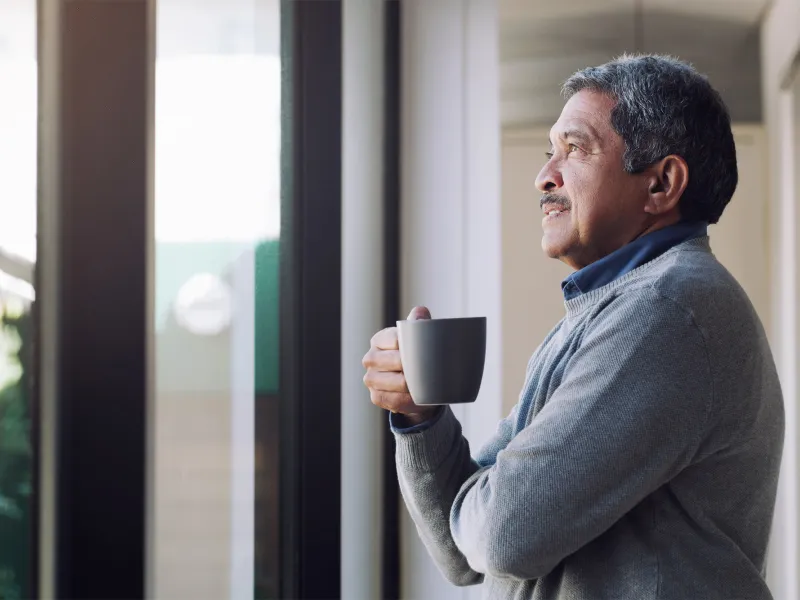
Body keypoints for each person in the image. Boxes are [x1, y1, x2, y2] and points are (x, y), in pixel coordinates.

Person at [362, 54, 785, 600]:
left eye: (576, 148)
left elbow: (503, 538)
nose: (544, 176)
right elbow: (460, 551)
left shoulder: (668, 308)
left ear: (662, 183)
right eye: (549, 152)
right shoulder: (605, 311)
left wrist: (485, 508)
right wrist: (419, 419)